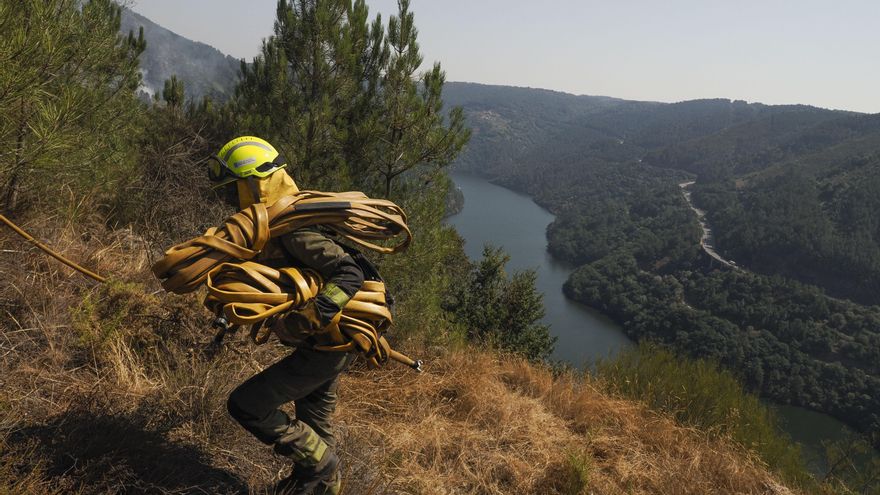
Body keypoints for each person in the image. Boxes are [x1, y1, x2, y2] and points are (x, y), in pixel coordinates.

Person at [209, 136, 362, 495]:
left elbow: (350, 273)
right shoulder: (276, 222)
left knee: (246, 405)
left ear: (255, 184)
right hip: (327, 346)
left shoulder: (294, 229)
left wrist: (304, 319)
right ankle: (317, 485)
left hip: (324, 346)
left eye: (235, 190)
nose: (231, 200)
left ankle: (323, 469)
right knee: (315, 423)